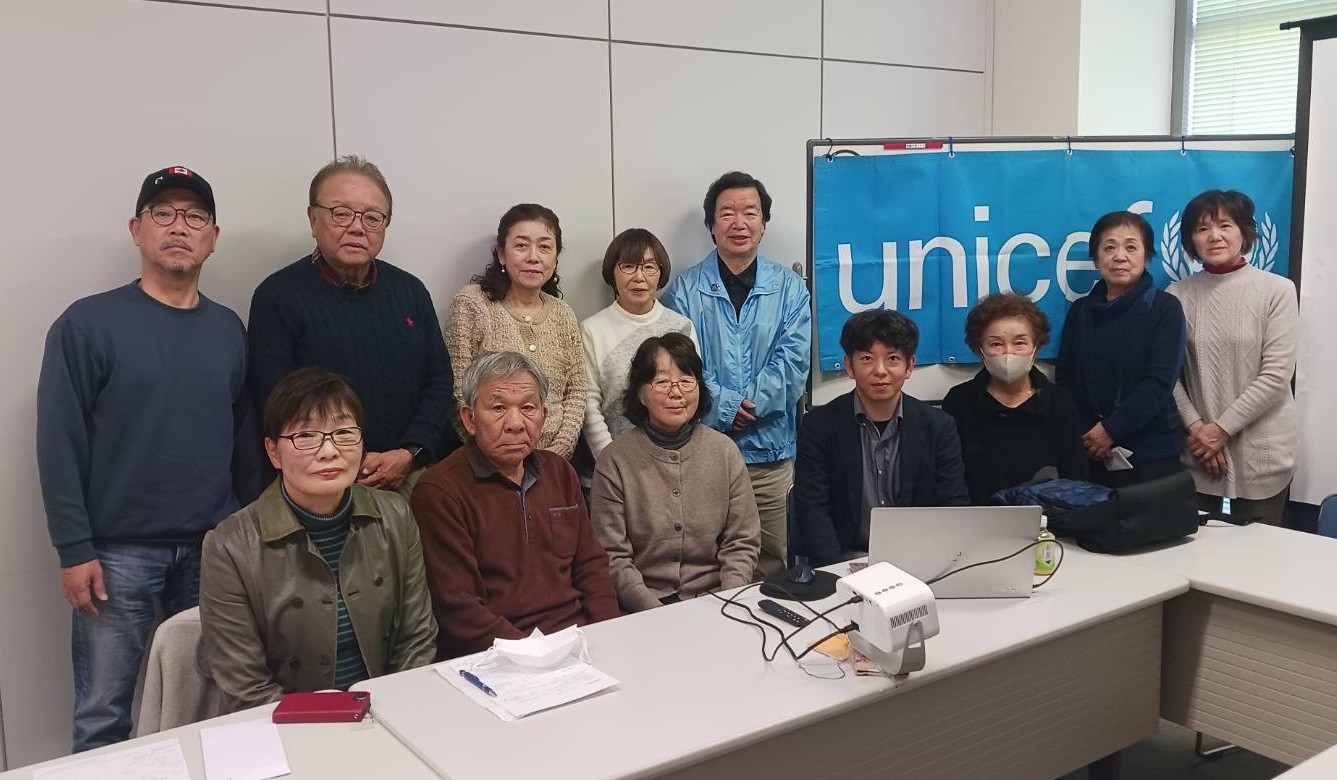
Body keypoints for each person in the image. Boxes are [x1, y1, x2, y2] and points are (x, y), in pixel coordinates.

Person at [36, 166, 259, 751]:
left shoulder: (228, 329)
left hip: (213, 550)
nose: (179, 227)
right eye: (163, 214)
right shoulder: (87, 325)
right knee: (102, 715)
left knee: (215, 703)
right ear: (137, 230)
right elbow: (58, 442)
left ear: (213, 237)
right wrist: (74, 548)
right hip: (116, 557)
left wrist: (245, 533)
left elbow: (244, 440)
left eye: (195, 216)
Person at [200, 368, 437, 713]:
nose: (329, 451)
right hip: (287, 726)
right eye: (306, 436)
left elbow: (417, 639)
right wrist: (340, 724)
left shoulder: (395, 514)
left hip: (387, 714)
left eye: (343, 433)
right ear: (273, 452)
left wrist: (389, 715)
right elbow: (247, 689)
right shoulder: (229, 546)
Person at [248, 155, 455, 498]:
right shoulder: (277, 296)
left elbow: (438, 378)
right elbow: (276, 402)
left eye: (372, 217)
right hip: (322, 480)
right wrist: (345, 459)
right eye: (341, 213)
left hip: (408, 472)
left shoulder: (410, 291)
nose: (358, 228)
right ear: (313, 219)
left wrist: (410, 451)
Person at [410, 351, 618, 659]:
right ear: (469, 419)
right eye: (498, 408)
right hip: (497, 654)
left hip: (577, 640)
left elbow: (591, 566)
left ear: (544, 416)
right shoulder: (440, 491)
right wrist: (537, 655)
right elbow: (458, 606)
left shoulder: (559, 471)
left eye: (528, 408)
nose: (516, 423)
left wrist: (607, 633)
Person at [662, 171, 811, 579]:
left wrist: (751, 406)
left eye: (750, 212)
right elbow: (682, 366)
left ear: (764, 223)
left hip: (770, 455)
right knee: (704, 562)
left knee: (771, 562)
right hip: (703, 453)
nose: (739, 223)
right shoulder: (683, 291)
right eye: (727, 213)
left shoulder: (790, 288)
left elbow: (793, 364)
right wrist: (726, 407)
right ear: (711, 225)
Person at [589, 333, 759, 612]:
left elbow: (742, 542)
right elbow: (613, 556)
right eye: (662, 382)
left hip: (718, 601)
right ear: (640, 393)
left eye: (686, 381)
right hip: (641, 609)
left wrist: (728, 603)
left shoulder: (725, 452)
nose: (676, 393)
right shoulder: (614, 461)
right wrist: (656, 614)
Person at [794, 310, 969, 567]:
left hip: (918, 562)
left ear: (909, 366)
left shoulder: (939, 427)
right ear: (849, 366)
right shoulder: (819, 426)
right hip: (845, 562)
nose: (880, 371)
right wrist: (835, 572)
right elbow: (813, 508)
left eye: (892, 358)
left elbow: (952, 506)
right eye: (867, 358)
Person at [1168, 190, 1298, 526]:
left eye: (1225, 225)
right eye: (1202, 228)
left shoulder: (1277, 290)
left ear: (1245, 231)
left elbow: (1276, 374)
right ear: (1190, 240)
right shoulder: (1175, 296)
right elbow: (1168, 376)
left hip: (1263, 457)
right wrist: (1198, 430)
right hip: (1200, 454)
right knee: (1197, 550)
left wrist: (1221, 430)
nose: (1214, 236)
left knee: (1261, 553)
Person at [1056, 211, 1187, 488]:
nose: (1119, 257)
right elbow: (1065, 378)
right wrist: (1089, 434)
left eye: (1131, 247)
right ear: (1096, 258)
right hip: (1091, 449)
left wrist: (1111, 429)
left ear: (1147, 256)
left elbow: (1159, 382)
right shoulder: (1081, 311)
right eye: (1109, 248)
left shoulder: (1165, 308)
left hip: (1151, 454)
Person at [444, 204, 586, 460]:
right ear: (501, 253)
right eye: (521, 245)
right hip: (489, 461)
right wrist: (496, 454)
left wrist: (558, 452)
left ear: (556, 257)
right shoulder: (472, 304)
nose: (533, 257)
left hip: (555, 460)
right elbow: (457, 390)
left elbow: (576, 392)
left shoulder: (563, 313)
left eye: (545, 247)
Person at [942, 293, 1088, 504]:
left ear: (1036, 347)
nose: (1008, 353)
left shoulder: (1059, 403)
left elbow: (1076, 480)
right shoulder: (960, 402)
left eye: (1019, 343)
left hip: (1047, 519)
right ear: (980, 349)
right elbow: (949, 480)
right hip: (975, 519)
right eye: (996, 344)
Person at [581, 228, 697, 458]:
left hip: (674, 457)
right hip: (614, 458)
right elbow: (589, 404)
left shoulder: (681, 326)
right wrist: (610, 458)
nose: (639, 277)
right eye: (628, 266)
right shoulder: (592, 330)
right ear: (612, 271)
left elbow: (691, 392)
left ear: (660, 273)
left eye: (649, 267)